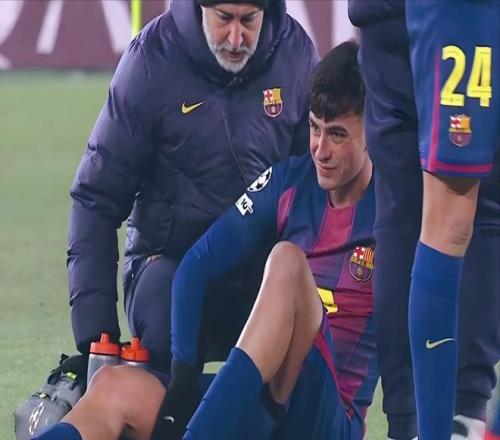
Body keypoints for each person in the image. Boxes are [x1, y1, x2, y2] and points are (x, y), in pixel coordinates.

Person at [34, 40, 378, 440]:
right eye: (315, 129)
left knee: (286, 261)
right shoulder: (289, 182)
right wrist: (181, 382)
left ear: (375, 131)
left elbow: (429, 326)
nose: (320, 149)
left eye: (338, 135)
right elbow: (197, 266)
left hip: (327, 419)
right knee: (114, 388)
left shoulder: (397, 213)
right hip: (261, 404)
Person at [67, 0, 318, 376]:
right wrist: (96, 339)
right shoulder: (150, 60)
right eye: (224, 19)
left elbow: (315, 191)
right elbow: (95, 198)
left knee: (305, 339)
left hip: (262, 271)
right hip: (167, 265)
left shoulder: (296, 55)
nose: (236, 38)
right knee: (165, 317)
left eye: (248, 20)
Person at [349, 1, 499, 439]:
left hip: (383, 20)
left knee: (401, 217)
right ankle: (455, 422)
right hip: (457, 15)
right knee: (460, 213)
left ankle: (409, 422)